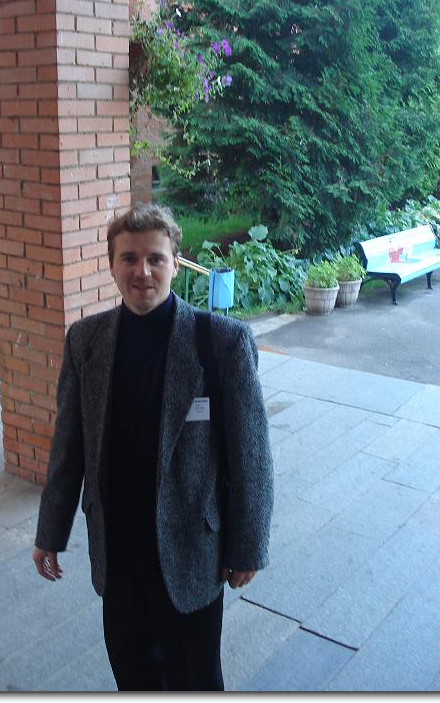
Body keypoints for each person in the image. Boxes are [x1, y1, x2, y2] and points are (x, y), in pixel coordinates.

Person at [32, 203, 274, 691]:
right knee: (132, 673)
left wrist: (248, 545)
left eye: (155, 258)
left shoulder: (220, 342)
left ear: (175, 264)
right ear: (112, 265)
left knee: (196, 679)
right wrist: (50, 530)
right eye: (129, 258)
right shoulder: (86, 341)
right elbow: (69, 445)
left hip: (191, 550)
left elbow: (252, 456)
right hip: (118, 549)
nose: (142, 271)